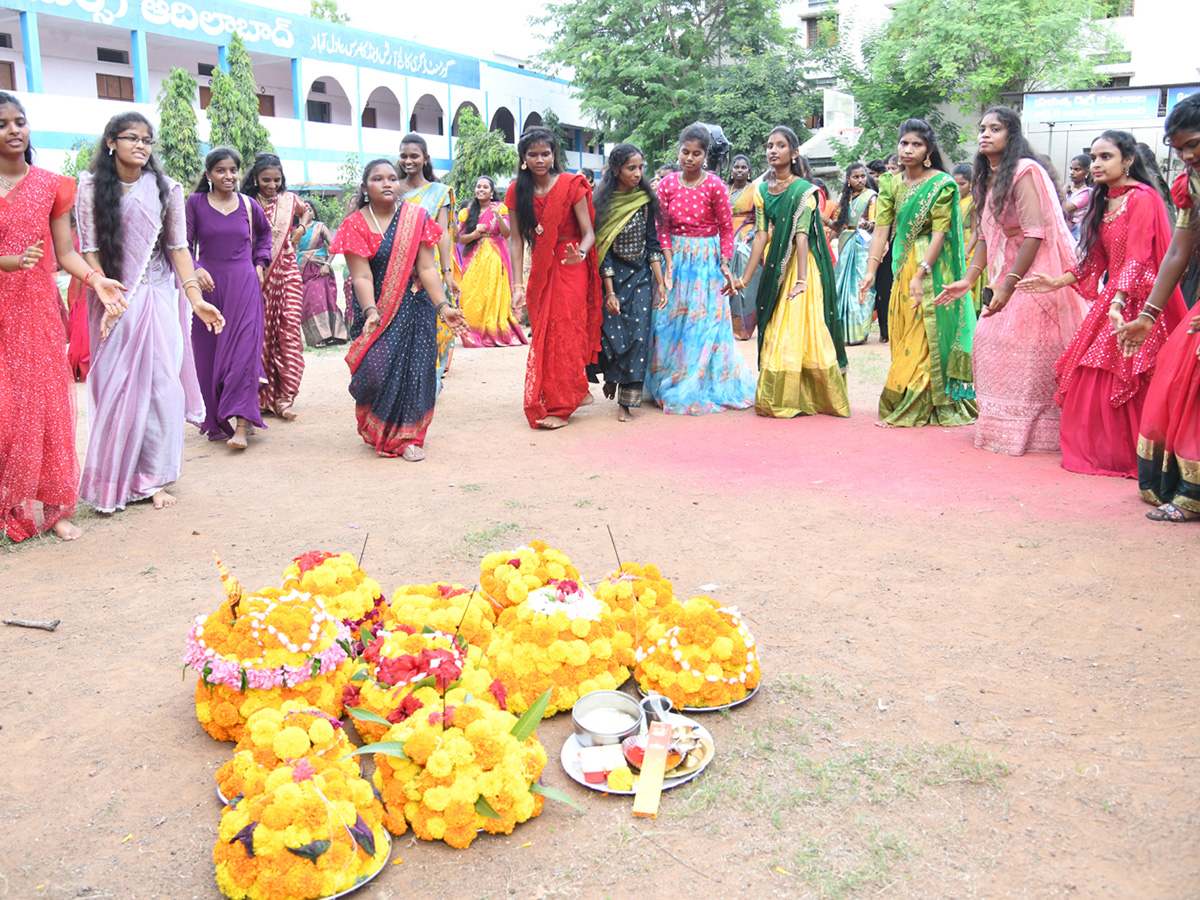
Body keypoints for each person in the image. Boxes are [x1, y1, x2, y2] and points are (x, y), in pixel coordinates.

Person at [76, 111, 225, 513]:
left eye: (147, 140)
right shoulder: (90, 188)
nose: (141, 146)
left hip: (158, 298)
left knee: (161, 388)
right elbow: (89, 248)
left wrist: (195, 298)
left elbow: (178, 248)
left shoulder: (166, 189)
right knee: (116, 388)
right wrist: (106, 294)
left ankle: (154, 479)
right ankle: (114, 479)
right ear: (111, 142)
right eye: (131, 138)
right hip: (113, 299)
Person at [1018, 129, 1186, 477]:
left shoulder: (1143, 197)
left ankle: (1144, 456)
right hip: (1115, 297)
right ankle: (1107, 453)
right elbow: (1095, 262)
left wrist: (1121, 301)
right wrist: (1058, 281)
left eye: (1105, 157)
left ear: (1128, 160)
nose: (1096, 164)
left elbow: (1139, 256)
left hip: (1143, 297)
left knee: (1128, 371)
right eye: (1093, 157)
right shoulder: (1100, 200)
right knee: (1090, 372)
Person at [0, 91, 122, 541]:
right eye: (2, 124)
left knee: (45, 408)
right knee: (5, 410)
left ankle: (53, 509)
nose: (14, 130)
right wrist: (8, 262)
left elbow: (65, 251)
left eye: (20, 121)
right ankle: (8, 501)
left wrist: (95, 280)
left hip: (34, 311)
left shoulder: (53, 185)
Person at [936, 106, 1088, 457]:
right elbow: (988, 237)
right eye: (982, 128)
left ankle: (1040, 433)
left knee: (1029, 346)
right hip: (1007, 266)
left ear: (1012, 135)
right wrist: (968, 278)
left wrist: (1009, 284)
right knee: (988, 340)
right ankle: (1001, 427)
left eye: (996, 129)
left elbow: (1035, 233)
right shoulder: (986, 177)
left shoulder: (1025, 170)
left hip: (1034, 270)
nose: (985, 134)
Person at [331, 159, 466, 460]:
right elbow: (361, 276)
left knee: (415, 371)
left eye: (392, 178)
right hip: (375, 311)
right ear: (365, 187)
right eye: (378, 179)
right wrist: (370, 311)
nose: (387, 183)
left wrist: (443, 306)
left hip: (416, 306)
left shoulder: (415, 218)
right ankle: (380, 427)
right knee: (374, 371)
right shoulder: (355, 224)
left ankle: (408, 437)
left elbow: (427, 267)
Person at [859, 119, 977, 427]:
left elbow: (940, 233)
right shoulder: (891, 184)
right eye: (904, 143)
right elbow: (882, 230)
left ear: (929, 151)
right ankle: (908, 393)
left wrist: (922, 271)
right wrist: (871, 270)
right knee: (903, 329)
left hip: (932, 266)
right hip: (901, 265)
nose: (908, 149)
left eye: (916, 144)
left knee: (925, 331)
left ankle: (921, 401)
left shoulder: (942, 184)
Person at [1115, 94, 1200, 518]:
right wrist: (1147, 315)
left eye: (1193, 144)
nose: (1187, 155)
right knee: (1183, 375)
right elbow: (1177, 253)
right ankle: (1190, 493)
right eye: (1179, 148)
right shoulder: (1192, 184)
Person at [733, 126, 849, 419]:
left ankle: (810, 396)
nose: (773, 150)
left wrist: (801, 280)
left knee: (799, 327)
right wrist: (744, 279)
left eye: (781, 145)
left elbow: (801, 236)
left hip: (803, 266)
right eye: (769, 145)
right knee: (774, 327)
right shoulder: (761, 191)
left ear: (794, 153)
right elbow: (761, 236)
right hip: (775, 264)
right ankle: (779, 395)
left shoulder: (804, 191)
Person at [648, 123, 756, 415]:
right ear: (678, 151)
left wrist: (723, 262)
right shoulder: (668, 184)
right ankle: (668, 377)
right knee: (669, 320)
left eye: (697, 153)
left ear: (705, 155)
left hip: (707, 262)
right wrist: (668, 257)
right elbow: (662, 225)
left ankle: (697, 381)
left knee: (703, 323)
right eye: (685, 152)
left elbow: (725, 228)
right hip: (676, 258)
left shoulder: (715, 185)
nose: (690, 158)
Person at [505, 126, 604, 429]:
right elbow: (516, 240)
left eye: (545, 153)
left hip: (571, 263)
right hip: (541, 270)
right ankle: (575, 392)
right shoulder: (516, 192)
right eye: (532, 154)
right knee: (545, 333)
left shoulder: (572, 184)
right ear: (523, 158)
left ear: (554, 155)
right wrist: (517, 284)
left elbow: (588, 233)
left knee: (566, 330)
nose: (539, 159)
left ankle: (564, 403)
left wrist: (582, 255)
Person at [187, 146, 272, 450]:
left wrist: (260, 263)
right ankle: (217, 417)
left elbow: (265, 236)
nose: (228, 176)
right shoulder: (194, 203)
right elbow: (182, 244)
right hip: (208, 291)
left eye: (233, 170)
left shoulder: (249, 205)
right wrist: (195, 269)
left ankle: (242, 423)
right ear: (208, 174)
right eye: (221, 170)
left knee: (243, 356)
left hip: (244, 286)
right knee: (208, 358)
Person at [588, 143, 667, 421]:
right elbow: (603, 249)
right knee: (611, 335)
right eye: (631, 168)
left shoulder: (644, 201)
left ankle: (625, 402)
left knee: (638, 337)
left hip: (642, 277)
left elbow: (652, 244)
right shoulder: (604, 205)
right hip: (612, 277)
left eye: (641, 168)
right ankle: (612, 376)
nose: (637, 173)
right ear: (615, 170)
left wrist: (660, 283)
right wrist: (609, 293)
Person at [242, 152, 308, 419]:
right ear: (255, 179)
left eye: (276, 180)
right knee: (261, 335)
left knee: (288, 330)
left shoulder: (290, 200)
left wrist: (301, 229)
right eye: (266, 180)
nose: (272, 186)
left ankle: (285, 397)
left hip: (288, 271)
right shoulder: (245, 203)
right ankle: (261, 397)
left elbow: (307, 212)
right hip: (258, 274)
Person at [397, 134, 460, 390]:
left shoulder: (439, 193)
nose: (408, 161)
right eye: (404, 156)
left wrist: (446, 273)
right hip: (397, 266)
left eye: (414, 156)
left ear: (426, 159)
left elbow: (443, 233)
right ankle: (401, 383)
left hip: (428, 265)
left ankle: (428, 384)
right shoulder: (391, 187)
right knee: (399, 327)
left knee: (431, 325)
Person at [456, 175, 525, 348]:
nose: (481, 189)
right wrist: (475, 234)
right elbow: (460, 238)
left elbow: (507, 233)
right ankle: (473, 332)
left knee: (492, 294)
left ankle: (493, 331)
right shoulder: (468, 211)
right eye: (478, 186)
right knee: (470, 293)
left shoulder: (500, 208)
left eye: (485, 187)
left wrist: (498, 217)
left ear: (492, 192)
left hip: (495, 257)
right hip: (474, 258)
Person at [832, 162, 878, 345]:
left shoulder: (871, 197)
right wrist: (823, 220)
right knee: (841, 288)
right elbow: (837, 225)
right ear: (848, 179)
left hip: (862, 245)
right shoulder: (844, 198)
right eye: (856, 177)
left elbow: (875, 225)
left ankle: (859, 333)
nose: (860, 180)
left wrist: (865, 224)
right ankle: (842, 333)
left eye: (863, 176)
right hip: (845, 242)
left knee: (860, 287)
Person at [297, 205, 347, 347]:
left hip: (320, 269)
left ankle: (336, 334)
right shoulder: (294, 229)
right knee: (308, 303)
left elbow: (334, 246)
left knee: (324, 300)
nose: (308, 212)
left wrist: (327, 264)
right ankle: (318, 338)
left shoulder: (320, 227)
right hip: (302, 270)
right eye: (304, 210)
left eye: (310, 209)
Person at [727, 154, 760, 340]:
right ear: (731, 171)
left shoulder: (755, 190)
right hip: (726, 237)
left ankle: (745, 327)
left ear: (749, 172)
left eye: (743, 167)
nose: (739, 170)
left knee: (745, 283)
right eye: (736, 167)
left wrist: (751, 234)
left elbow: (760, 219)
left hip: (746, 240)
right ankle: (728, 326)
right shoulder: (725, 190)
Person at [953, 163, 988, 314]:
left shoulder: (974, 201)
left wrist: (966, 251)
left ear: (971, 183)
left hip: (970, 246)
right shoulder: (953, 201)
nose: (958, 187)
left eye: (962, 184)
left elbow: (976, 231)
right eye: (955, 184)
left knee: (968, 283)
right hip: (955, 243)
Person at [1062, 154, 1092, 240]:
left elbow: (1065, 209)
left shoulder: (1086, 193)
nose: (1072, 172)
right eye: (1071, 169)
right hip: (1066, 230)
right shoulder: (1070, 191)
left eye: (1077, 170)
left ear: (1087, 173)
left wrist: (1063, 192)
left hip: (1078, 234)